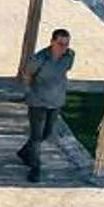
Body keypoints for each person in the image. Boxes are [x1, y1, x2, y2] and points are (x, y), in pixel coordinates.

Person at [21, 26, 75, 182]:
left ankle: (25, 152)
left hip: (56, 101)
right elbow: (28, 74)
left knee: (47, 133)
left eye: (66, 44)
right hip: (38, 101)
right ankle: (35, 167)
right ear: (52, 42)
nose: (63, 47)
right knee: (36, 136)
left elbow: (66, 70)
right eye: (60, 44)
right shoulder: (40, 58)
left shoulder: (69, 56)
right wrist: (33, 90)